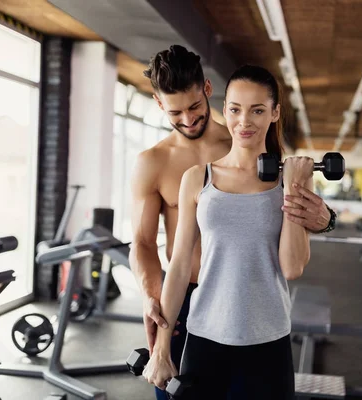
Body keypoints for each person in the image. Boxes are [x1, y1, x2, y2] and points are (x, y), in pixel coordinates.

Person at [129, 46, 336, 399]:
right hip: (189, 304)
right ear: (159, 105)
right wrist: (152, 299)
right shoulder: (160, 163)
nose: (189, 119)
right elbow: (146, 245)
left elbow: (295, 245)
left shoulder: (263, 155)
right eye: (176, 111)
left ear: (208, 93)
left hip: (259, 311)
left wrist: (326, 218)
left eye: (195, 108)